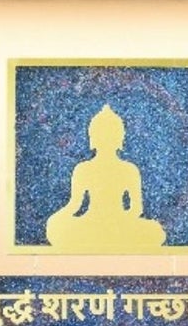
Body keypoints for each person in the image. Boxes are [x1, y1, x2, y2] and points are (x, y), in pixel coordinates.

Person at [44, 104, 167, 252]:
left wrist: (117, 222)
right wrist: (55, 221)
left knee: (155, 231)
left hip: (118, 224)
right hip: (92, 222)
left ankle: (109, 235)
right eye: (102, 135)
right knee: (56, 226)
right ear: (92, 138)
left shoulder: (129, 170)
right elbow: (74, 205)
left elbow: (136, 209)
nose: (106, 140)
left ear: (120, 138)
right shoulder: (83, 169)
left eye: (110, 135)